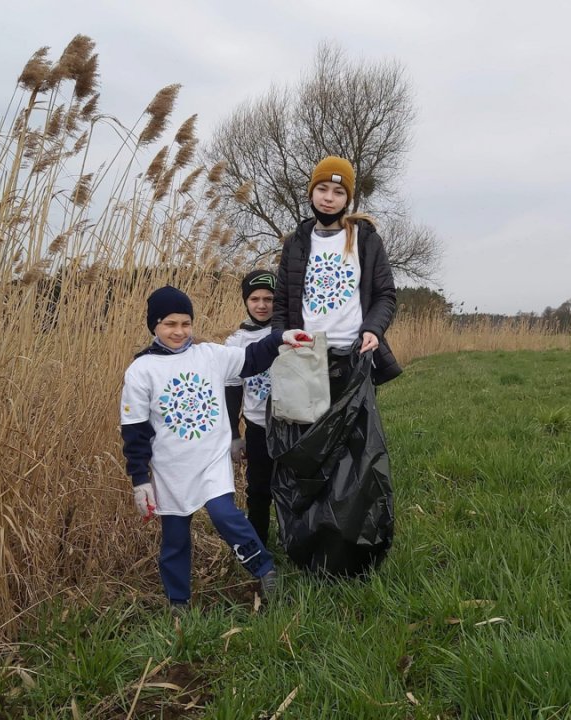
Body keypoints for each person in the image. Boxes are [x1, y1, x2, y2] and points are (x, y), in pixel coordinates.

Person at [120, 285, 309, 610]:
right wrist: (140, 480)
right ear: (155, 325)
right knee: (175, 539)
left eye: (185, 323)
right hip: (171, 470)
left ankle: (265, 571)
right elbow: (135, 431)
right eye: (170, 324)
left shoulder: (210, 355)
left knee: (226, 516)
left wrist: (280, 338)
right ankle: (178, 603)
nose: (179, 332)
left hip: (211, 462)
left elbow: (251, 358)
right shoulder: (141, 371)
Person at [269, 155, 400, 575]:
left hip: (352, 362)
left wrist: (374, 330)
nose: (329, 198)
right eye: (323, 189)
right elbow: (282, 307)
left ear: (349, 196)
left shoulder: (364, 239)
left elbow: (385, 296)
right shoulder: (295, 243)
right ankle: (310, 552)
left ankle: (353, 554)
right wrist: (282, 336)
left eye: (339, 191)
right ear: (311, 192)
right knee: (310, 459)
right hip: (306, 362)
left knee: (355, 461)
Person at [224, 269, 278, 547]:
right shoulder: (236, 342)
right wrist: (234, 434)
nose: (261, 305)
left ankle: (299, 542)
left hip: (295, 425)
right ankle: (260, 549)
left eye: (269, 298)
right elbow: (232, 391)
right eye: (254, 298)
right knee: (258, 490)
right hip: (258, 428)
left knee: (297, 488)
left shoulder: (289, 330)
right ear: (246, 301)